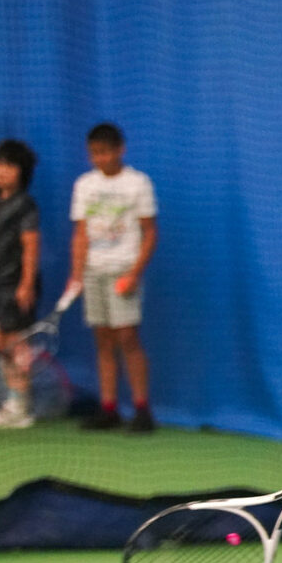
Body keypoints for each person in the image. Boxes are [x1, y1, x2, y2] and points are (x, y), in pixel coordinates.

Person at [70, 122, 159, 432]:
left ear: (120, 150)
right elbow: (80, 233)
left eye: (106, 152)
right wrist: (76, 275)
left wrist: (135, 273)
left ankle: (142, 409)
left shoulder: (138, 183)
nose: (100, 158)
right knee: (103, 340)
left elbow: (150, 233)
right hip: (93, 271)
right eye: (94, 153)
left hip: (123, 270)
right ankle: (108, 408)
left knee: (127, 338)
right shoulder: (84, 184)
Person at [0, 140, 41, 430]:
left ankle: (21, 406)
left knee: (15, 342)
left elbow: (30, 246)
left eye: (8, 166)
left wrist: (26, 284)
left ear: (21, 172)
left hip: (16, 285)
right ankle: (12, 400)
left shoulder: (25, 205)